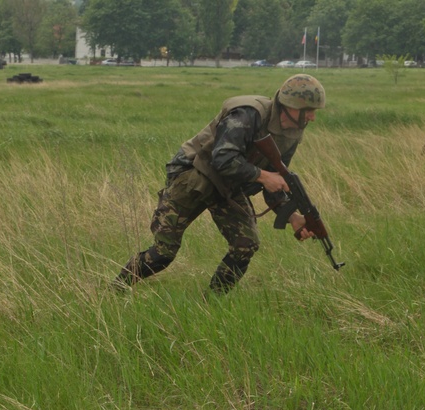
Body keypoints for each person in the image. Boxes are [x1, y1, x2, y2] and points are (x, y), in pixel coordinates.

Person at [113, 74, 323, 294]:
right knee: (164, 253)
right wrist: (262, 176)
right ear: (291, 106)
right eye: (309, 110)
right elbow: (222, 159)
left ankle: (211, 303)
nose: (312, 117)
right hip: (194, 174)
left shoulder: (291, 134)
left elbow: (274, 182)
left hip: (229, 186)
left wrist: (293, 217)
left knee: (246, 245)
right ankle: (116, 289)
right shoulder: (248, 114)